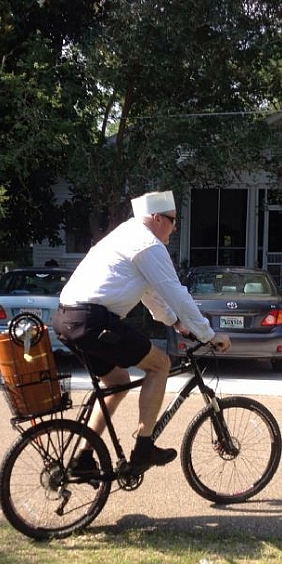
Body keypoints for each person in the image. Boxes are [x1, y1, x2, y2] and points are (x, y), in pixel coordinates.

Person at [54, 190, 231, 477]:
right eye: (173, 221)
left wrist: (176, 323)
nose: (175, 229)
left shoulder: (126, 235)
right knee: (160, 365)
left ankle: (83, 457)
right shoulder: (148, 244)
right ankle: (143, 448)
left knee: (117, 381)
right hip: (93, 320)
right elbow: (175, 292)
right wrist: (209, 334)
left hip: (68, 318)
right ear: (158, 218)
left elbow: (151, 294)